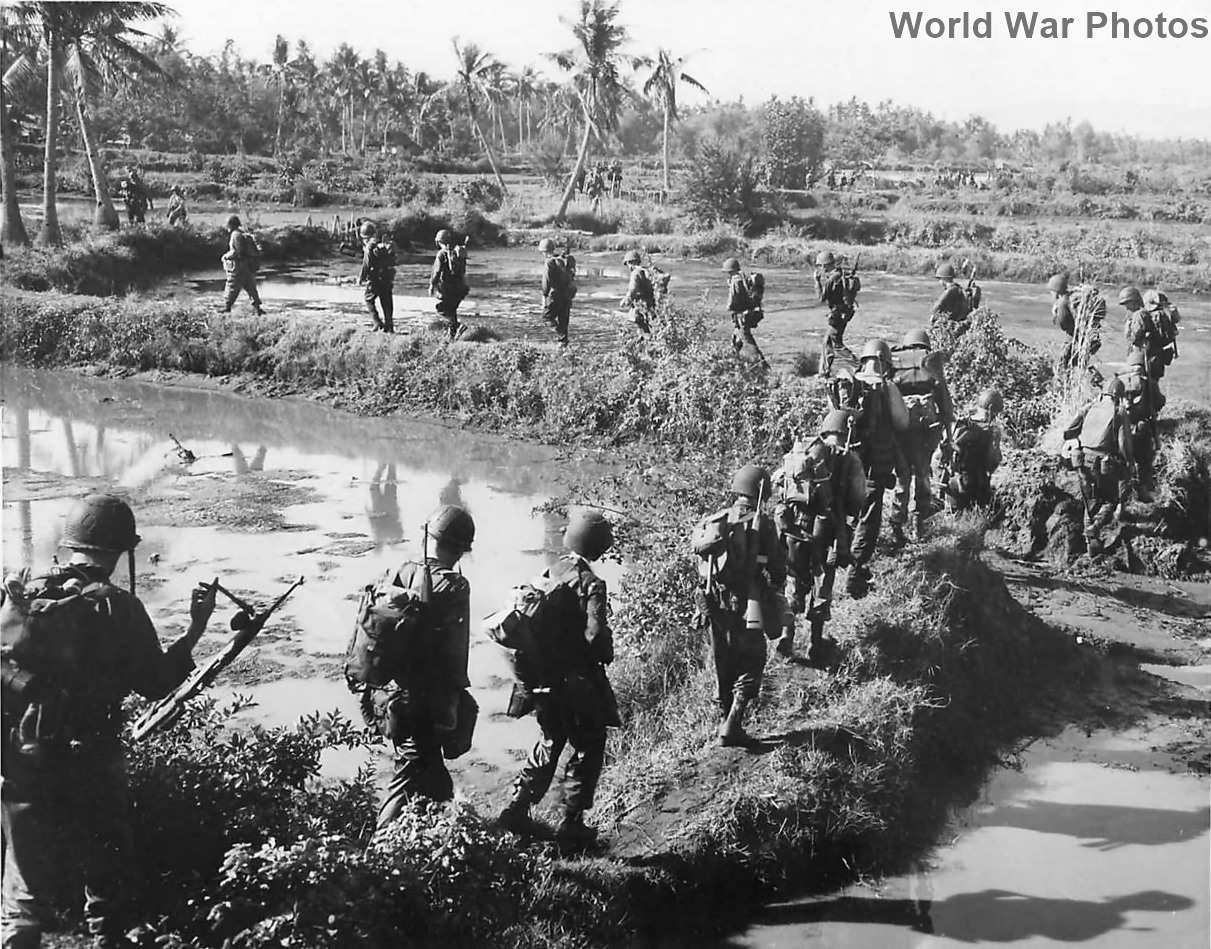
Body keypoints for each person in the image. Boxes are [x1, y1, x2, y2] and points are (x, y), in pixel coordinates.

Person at [1, 494, 217, 949]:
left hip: (27, 754)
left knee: (23, 887)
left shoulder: (25, 596)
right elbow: (156, 684)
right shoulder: (118, 607)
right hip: (93, 756)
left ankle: (19, 932)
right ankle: (105, 937)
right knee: (106, 874)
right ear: (122, 551)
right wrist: (195, 628)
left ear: (70, 544)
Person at [496, 509, 619, 850]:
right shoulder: (592, 583)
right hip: (575, 682)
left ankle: (517, 808)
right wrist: (605, 652)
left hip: (543, 680)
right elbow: (595, 638)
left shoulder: (550, 571)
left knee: (550, 741)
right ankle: (572, 823)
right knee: (588, 744)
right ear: (598, 546)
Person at [373, 505, 475, 827]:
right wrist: (454, 700)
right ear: (462, 548)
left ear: (428, 535)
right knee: (410, 776)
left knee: (424, 775)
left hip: (392, 695)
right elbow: (456, 654)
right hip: (426, 702)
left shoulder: (397, 572)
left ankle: (422, 838)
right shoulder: (455, 586)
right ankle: (380, 848)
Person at [692, 465, 786, 746]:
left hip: (714, 603)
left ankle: (724, 721)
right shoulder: (763, 522)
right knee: (754, 659)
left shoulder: (716, 520)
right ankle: (732, 723)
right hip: (749, 602)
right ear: (762, 491)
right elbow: (779, 568)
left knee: (723, 660)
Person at [772, 411, 861, 665]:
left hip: (794, 529)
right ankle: (814, 643)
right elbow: (857, 501)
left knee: (794, 581)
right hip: (827, 530)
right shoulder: (847, 459)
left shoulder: (802, 453)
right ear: (845, 433)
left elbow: (779, 483)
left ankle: (786, 638)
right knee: (821, 585)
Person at [848, 339, 909, 597]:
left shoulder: (849, 384)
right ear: (885, 363)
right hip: (875, 466)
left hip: (847, 463)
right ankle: (856, 572)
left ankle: (839, 563)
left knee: (845, 515)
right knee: (869, 519)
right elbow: (902, 423)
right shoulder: (888, 388)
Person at [889, 328, 955, 545]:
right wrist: (948, 437)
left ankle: (897, 526)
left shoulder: (894, 362)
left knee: (902, 476)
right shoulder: (932, 363)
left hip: (900, 431)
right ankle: (919, 523)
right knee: (923, 475)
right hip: (926, 432)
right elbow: (945, 404)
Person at [1061, 376, 1134, 558]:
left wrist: (1079, 441)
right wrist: (1128, 462)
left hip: (1081, 461)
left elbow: (1069, 431)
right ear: (1119, 395)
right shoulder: (1119, 412)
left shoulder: (1089, 407)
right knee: (1111, 501)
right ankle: (1095, 528)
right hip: (1103, 463)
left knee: (1090, 504)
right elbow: (1124, 443)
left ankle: (1092, 549)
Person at [939, 388, 1003, 512]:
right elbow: (992, 463)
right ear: (991, 410)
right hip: (976, 486)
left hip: (953, 484)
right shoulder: (990, 432)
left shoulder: (958, 425)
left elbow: (941, 455)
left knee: (954, 522)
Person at [1118, 349, 1165, 499]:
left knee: (1122, 461)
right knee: (1144, 459)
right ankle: (1142, 490)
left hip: (1120, 428)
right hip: (1141, 427)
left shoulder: (1119, 381)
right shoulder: (1149, 383)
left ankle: (1122, 498)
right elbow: (1159, 402)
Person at [1120, 286, 1178, 380]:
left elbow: (1134, 338)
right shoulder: (1145, 314)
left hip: (1143, 359)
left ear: (1134, 301)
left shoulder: (1139, 315)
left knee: (1138, 387)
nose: (1126, 307)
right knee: (1151, 387)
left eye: (1127, 303)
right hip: (1155, 358)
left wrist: (1128, 328)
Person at [723, 257, 768, 368]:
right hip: (744, 316)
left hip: (741, 317)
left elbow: (732, 303)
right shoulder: (742, 278)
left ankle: (763, 368)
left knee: (748, 343)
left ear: (730, 270)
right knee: (735, 341)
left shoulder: (736, 280)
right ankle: (736, 366)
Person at [814, 250, 860, 358]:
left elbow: (821, 298)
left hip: (838, 315)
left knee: (836, 345)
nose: (819, 269)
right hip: (843, 313)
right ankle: (824, 373)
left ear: (824, 265)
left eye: (819, 266)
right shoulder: (840, 274)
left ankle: (859, 366)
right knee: (828, 342)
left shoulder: (833, 279)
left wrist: (817, 281)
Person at [429, 229, 469, 340]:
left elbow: (437, 272)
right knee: (452, 310)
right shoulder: (458, 252)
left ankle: (457, 326)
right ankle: (451, 337)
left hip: (448, 288)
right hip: (461, 287)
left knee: (442, 308)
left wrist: (432, 285)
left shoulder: (442, 254)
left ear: (439, 241)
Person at [221, 215, 264, 316]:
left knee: (232, 286)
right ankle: (257, 308)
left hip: (239, 266)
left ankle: (227, 307)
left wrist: (225, 256)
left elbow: (237, 251)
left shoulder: (235, 235)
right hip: (247, 265)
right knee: (251, 287)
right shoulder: (242, 234)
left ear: (231, 225)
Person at [361, 222, 397, 334]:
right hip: (387, 277)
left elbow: (366, 264)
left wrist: (361, 277)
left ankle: (377, 323)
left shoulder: (369, 246)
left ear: (364, 236)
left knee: (368, 299)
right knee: (386, 301)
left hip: (375, 278)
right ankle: (389, 326)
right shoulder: (382, 244)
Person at [539, 238, 576, 346]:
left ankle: (562, 337)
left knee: (547, 317)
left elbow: (546, 282)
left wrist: (544, 296)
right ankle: (563, 345)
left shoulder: (549, 262)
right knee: (563, 320)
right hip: (567, 295)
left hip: (555, 296)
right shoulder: (564, 260)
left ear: (545, 251)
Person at [619, 249, 655, 334]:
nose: (628, 267)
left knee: (643, 330)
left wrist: (625, 300)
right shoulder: (645, 271)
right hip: (650, 305)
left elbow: (633, 289)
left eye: (627, 264)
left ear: (630, 263)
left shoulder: (636, 273)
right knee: (648, 328)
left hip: (641, 306)